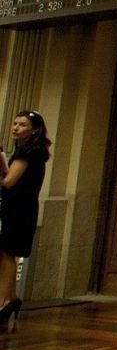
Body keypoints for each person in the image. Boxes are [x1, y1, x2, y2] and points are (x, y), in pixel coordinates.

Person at [1, 110, 50, 333]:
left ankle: (3, 303)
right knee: (6, 252)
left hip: (17, 208)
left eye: (22, 125)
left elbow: (9, 181)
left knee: (6, 253)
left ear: (34, 129)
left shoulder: (28, 153)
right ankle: (11, 299)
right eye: (15, 123)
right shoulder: (34, 151)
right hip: (22, 207)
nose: (15, 128)